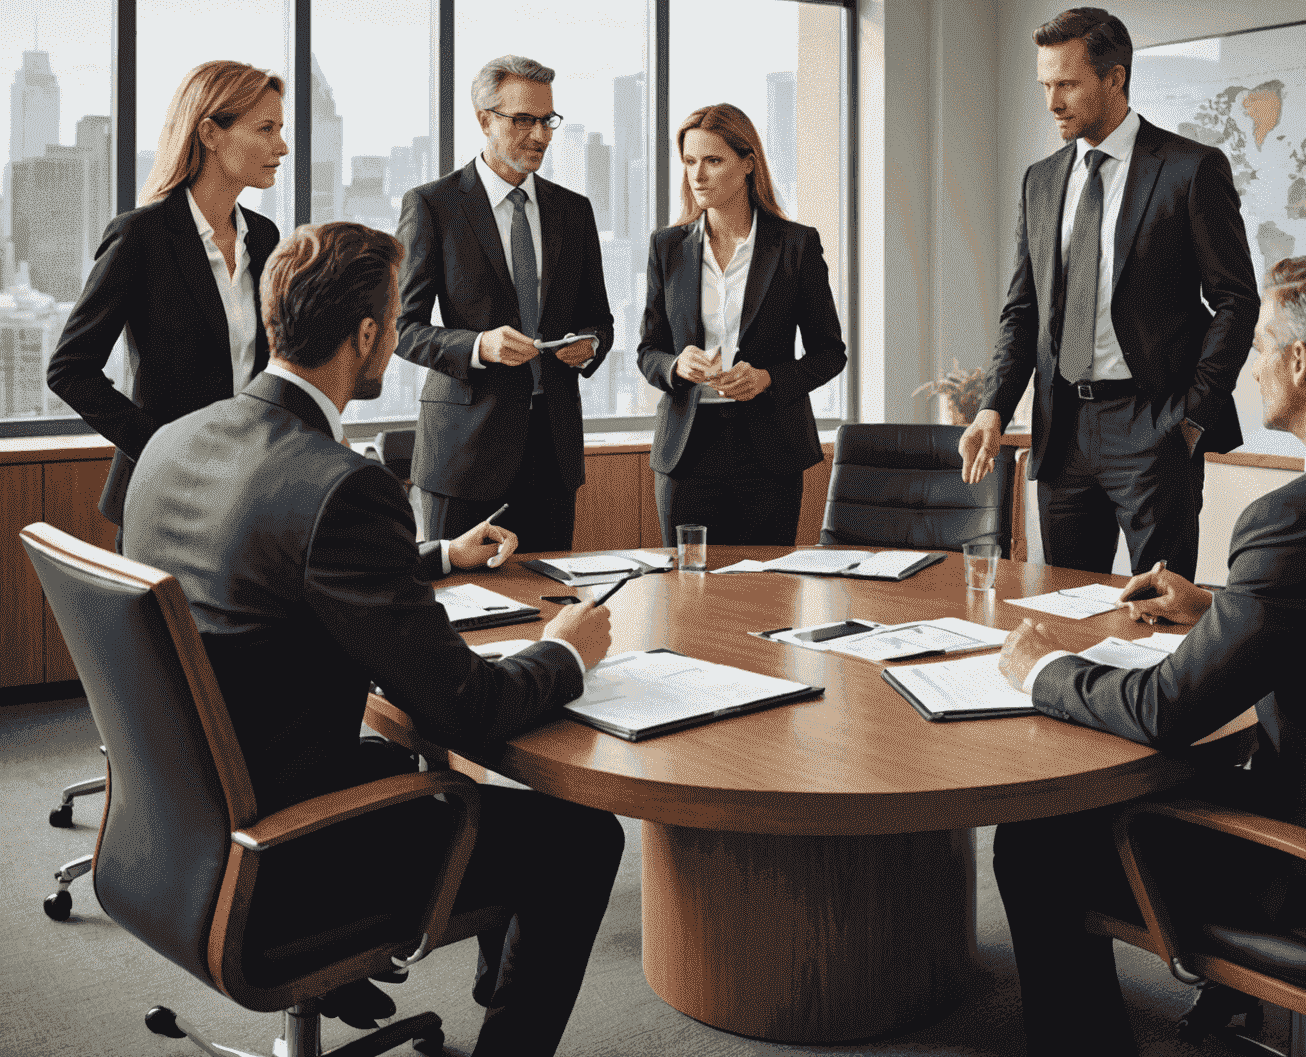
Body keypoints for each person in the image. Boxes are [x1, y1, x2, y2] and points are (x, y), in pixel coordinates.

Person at [123, 220, 624, 1057]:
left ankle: (472, 964)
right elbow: (467, 707)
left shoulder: (176, 441)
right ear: (367, 336)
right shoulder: (342, 485)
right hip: (283, 856)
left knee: (401, 766)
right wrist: (567, 649)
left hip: (174, 829)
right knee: (581, 837)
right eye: (394, 319)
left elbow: (265, 560)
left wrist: (429, 557)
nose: (396, 333)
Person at [990, 256, 1306, 1056]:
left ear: (1302, 363)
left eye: (1261, 345)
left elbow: (1163, 711)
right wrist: (1220, 607)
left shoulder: (1295, 516)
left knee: (1035, 841)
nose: (1250, 364)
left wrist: (1043, 668)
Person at [960, 6, 1260, 580]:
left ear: (1114, 78)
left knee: (1159, 613)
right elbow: (1023, 312)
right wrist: (994, 407)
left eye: (1067, 84)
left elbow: (1237, 301)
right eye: (1046, 85)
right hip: (1062, 428)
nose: (1052, 103)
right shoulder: (1041, 180)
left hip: (1154, 424)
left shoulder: (1189, 170)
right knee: (1066, 606)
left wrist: (1192, 415)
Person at [48, 60, 287, 530]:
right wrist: (165, 448)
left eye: (280, 129)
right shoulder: (141, 236)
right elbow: (69, 370)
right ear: (210, 133)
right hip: (164, 494)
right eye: (265, 128)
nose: (281, 146)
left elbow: (270, 364)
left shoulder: (263, 237)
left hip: (248, 489)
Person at [396, 54, 614, 552]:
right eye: (523, 120)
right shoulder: (434, 205)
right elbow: (402, 328)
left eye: (547, 121)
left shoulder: (573, 211)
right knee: (463, 609)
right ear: (484, 120)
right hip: (463, 453)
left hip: (553, 453)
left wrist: (591, 345)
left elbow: (599, 319)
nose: (540, 135)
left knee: (549, 597)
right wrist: (479, 346)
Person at [638, 103, 846, 548]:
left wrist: (768, 377)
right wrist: (676, 366)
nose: (698, 175)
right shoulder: (667, 247)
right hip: (686, 452)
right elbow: (648, 350)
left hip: (769, 451)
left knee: (766, 597)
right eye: (690, 162)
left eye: (713, 161)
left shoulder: (795, 245)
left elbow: (830, 354)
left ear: (748, 164)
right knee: (687, 595)